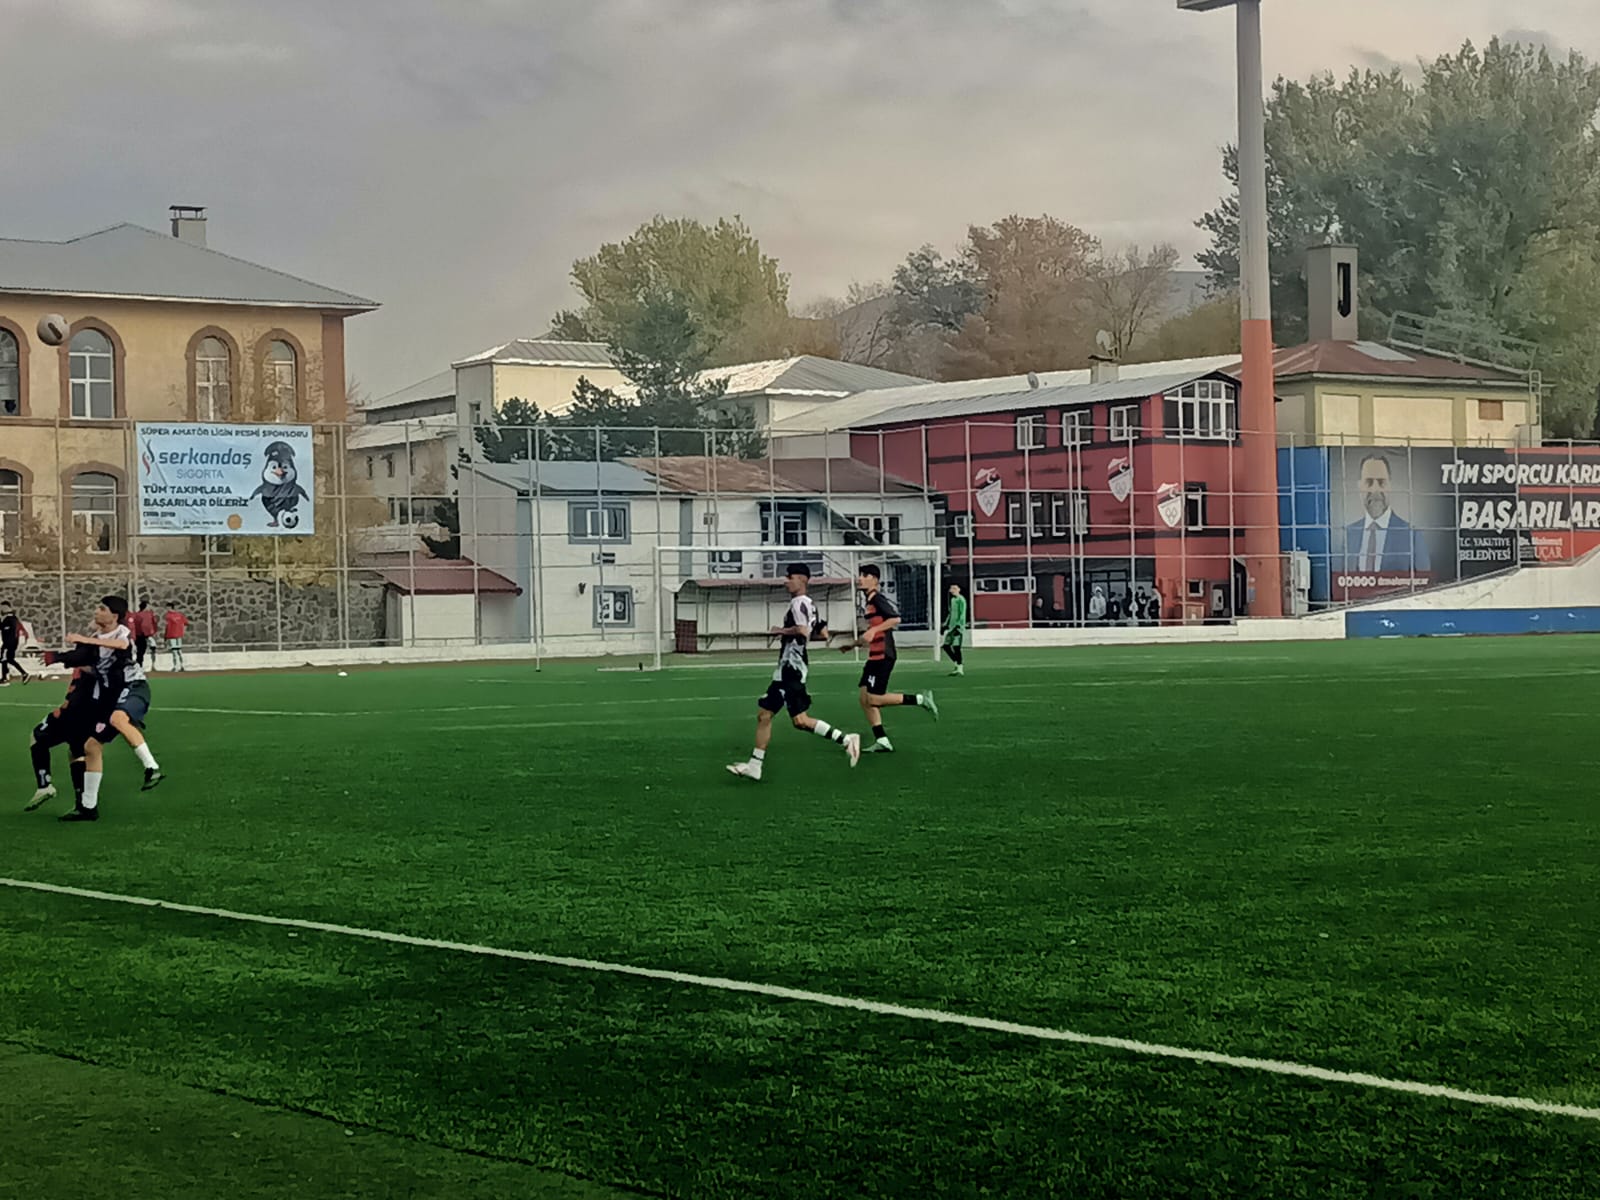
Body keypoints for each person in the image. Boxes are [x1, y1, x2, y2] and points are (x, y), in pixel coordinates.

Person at [727, 563, 860, 781]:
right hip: (785, 668)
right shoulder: (809, 605)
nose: (786, 581)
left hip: (792, 668)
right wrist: (797, 636)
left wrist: (781, 631)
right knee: (764, 714)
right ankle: (754, 765)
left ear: (802, 579)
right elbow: (822, 634)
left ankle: (847, 740)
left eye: (790, 577)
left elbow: (803, 630)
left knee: (800, 720)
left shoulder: (800, 603)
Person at [59, 596, 164, 822]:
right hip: (112, 695)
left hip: (134, 686)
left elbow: (122, 646)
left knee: (118, 719)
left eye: (101, 608)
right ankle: (88, 807)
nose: (96, 612)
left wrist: (85, 639)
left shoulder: (121, 633)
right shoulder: (96, 639)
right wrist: (61, 659)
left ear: (114, 615)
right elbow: (93, 666)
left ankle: (152, 767)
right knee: (91, 746)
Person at [844, 564, 938, 755]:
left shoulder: (878, 598)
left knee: (874, 698)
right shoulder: (869, 600)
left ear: (875, 580)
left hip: (883, 656)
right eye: (860, 575)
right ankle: (882, 740)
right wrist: (853, 644)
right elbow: (874, 629)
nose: (860, 578)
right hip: (874, 656)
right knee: (864, 699)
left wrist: (874, 630)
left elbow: (895, 619)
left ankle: (920, 699)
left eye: (865, 575)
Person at [24, 643, 100, 813]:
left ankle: (44, 786)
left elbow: (81, 690)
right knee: (77, 753)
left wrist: (65, 707)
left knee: (37, 737)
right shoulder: (92, 667)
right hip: (89, 715)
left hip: (74, 713)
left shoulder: (89, 669)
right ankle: (83, 804)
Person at [1343, 452, 1432, 573]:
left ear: (1390, 486)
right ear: (1359, 487)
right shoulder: (1349, 534)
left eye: (1381, 482)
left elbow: (1424, 585)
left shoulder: (1412, 536)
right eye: (1369, 482)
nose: (1375, 489)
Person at [0, 601, 29, 686]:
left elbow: (5, 628)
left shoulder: (10, 618)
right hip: (10, 643)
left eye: (2, 607)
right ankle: (23, 674)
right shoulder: (8, 618)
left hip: (9, 643)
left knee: (4, 659)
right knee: (7, 659)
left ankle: (5, 678)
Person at [943, 582, 968, 677]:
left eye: (954, 588)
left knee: (956, 647)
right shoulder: (953, 600)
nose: (952, 590)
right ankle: (957, 664)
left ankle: (960, 668)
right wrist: (945, 624)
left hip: (958, 627)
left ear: (958, 589)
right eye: (951, 588)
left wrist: (959, 625)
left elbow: (962, 613)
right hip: (951, 627)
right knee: (946, 646)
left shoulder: (961, 600)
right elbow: (951, 613)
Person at [130, 599, 158, 669]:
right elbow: (141, 625)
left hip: (145, 635)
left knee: (144, 650)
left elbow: (153, 623)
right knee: (140, 651)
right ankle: (139, 665)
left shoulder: (149, 614)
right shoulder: (139, 615)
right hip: (141, 635)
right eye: (148, 606)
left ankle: (151, 664)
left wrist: (153, 632)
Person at [162, 601, 188, 672]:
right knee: (179, 650)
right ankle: (182, 665)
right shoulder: (180, 615)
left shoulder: (168, 616)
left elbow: (167, 626)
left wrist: (165, 636)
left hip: (172, 635)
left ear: (169, 607)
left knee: (175, 651)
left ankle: (176, 666)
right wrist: (182, 632)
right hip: (178, 635)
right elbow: (186, 623)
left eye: (167, 607)